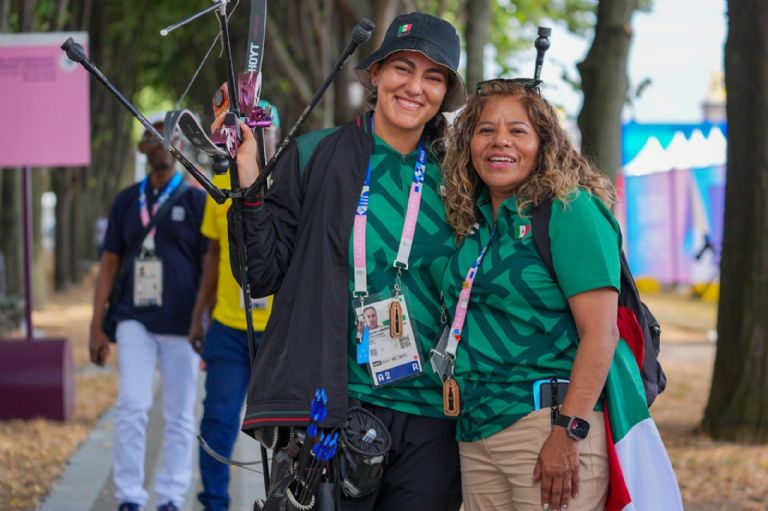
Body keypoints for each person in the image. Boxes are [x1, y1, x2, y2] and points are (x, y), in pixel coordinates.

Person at [224, 12, 466, 510]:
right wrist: (247, 175)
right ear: (375, 74)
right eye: (403, 67)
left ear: (445, 93)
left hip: (430, 412)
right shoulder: (314, 154)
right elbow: (259, 273)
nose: (415, 87)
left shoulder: (460, 180)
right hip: (333, 406)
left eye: (434, 76)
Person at [440, 80, 621, 511]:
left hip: (546, 428)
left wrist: (567, 432)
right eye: (485, 130)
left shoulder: (569, 209)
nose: (500, 140)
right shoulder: (475, 220)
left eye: (517, 130)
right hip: (475, 431)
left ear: (544, 142)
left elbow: (601, 332)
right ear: (468, 144)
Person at [89, 114, 208, 511]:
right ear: (143, 148)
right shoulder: (126, 200)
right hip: (133, 318)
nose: (163, 142)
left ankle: (172, 495)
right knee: (133, 405)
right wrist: (96, 326)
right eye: (154, 136)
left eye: (172, 135)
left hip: (182, 321)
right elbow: (108, 265)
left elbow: (212, 262)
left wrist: (204, 319)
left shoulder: (196, 200)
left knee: (179, 413)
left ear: (182, 147)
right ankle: (129, 496)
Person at [188, 102, 280, 511]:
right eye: (248, 130)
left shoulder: (289, 184)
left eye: (264, 130)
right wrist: (198, 316)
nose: (257, 137)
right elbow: (212, 257)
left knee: (287, 435)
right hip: (227, 329)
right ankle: (215, 504)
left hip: (279, 334)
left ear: (276, 136)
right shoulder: (220, 184)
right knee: (218, 424)